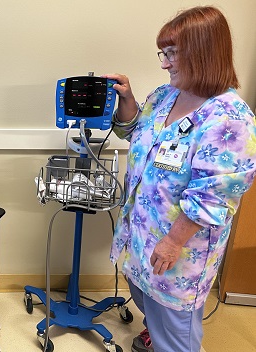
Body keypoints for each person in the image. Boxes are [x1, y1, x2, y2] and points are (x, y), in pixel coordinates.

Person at [104, 6, 256, 352]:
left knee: (177, 337)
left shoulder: (229, 120)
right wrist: (127, 100)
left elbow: (214, 197)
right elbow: (134, 133)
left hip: (179, 252)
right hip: (141, 239)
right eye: (164, 53)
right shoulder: (164, 96)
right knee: (148, 307)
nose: (164, 63)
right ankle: (154, 337)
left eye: (173, 54)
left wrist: (173, 241)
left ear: (202, 53)